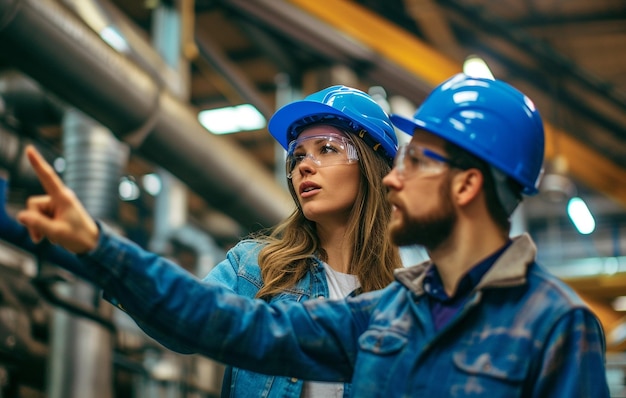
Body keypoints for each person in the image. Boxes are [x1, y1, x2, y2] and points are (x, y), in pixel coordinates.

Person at [14, 74, 609, 397]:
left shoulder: (554, 323)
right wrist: (97, 246)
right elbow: (217, 319)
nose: (400, 178)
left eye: (419, 161)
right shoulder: (390, 313)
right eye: (298, 154)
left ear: (467, 186)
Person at [203, 85, 403, 397]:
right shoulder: (255, 269)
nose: (303, 166)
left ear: (371, 166)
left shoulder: (405, 303)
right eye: (297, 156)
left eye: (326, 149)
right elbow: (182, 317)